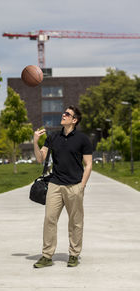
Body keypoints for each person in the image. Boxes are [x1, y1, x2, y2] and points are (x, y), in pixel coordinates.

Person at [33, 106, 92, 268]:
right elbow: (40, 159)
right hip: (55, 185)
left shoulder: (83, 139)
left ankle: (74, 254)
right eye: (63, 113)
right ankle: (46, 256)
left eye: (67, 114)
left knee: (75, 222)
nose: (63, 115)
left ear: (74, 120)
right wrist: (35, 142)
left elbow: (88, 164)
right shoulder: (53, 137)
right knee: (49, 220)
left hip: (74, 185)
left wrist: (82, 185)